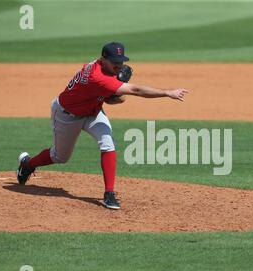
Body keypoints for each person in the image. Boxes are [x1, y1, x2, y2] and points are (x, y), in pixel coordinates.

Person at [16, 42, 188, 210]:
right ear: (103, 59)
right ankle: (28, 164)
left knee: (108, 143)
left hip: (92, 113)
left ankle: (109, 193)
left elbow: (113, 99)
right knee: (60, 156)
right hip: (67, 115)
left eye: (121, 61)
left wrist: (116, 89)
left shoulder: (101, 68)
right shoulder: (97, 77)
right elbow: (134, 91)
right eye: (115, 62)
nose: (119, 65)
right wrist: (167, 92)